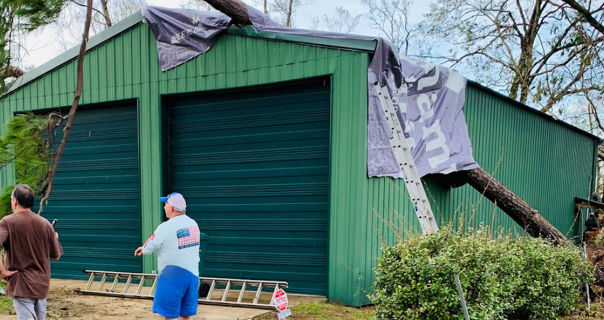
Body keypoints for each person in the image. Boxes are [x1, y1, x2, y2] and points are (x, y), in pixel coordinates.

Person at [0, 184, 63, 320]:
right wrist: (55, 238)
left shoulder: (7, 222)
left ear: (15, 201)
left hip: (21, 283)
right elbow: (56, 255)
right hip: (41, 285)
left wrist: (2, 271)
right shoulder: (45, 224)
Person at [135, 192, 200, 320]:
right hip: (192, 275)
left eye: (165, 204)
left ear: (171, 208)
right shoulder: (193, 224)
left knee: (169, 316)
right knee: (185, 315)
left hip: (173, 275)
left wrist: (143, 249)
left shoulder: (166, 226)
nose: (164, 207)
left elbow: (150, 246)